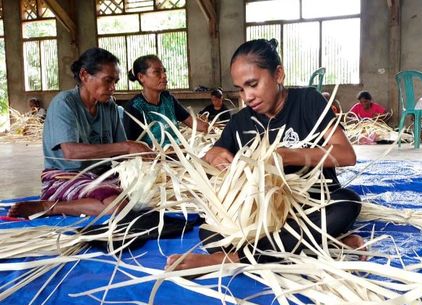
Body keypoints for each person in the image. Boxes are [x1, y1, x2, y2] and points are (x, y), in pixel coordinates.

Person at [167, 38, 363, 268]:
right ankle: (321, 244)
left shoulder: (308, 101)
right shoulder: (241, 120)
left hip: (313, 205)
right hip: (263, 216)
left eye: (253, 84)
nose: (247, 96)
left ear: (278, 74)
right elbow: (211, 156)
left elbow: (346, 155)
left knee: (348, 203)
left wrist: (284, 155)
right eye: (241, 89)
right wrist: (213, 156)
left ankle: (231, 258)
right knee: (210, 230)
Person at [8, 48, 152, 218]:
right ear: (84, 75)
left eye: (115, 81)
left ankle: (86, 202)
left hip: (102, 176)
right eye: (107, 81)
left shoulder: (110, 107)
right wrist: (127, 146)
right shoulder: (65, 103)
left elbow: (121, 154)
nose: (113, 88)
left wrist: (151, 155)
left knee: (144, 199)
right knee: (117, 207)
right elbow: (71, 152)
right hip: (66, 177)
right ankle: (51, 206)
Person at [123, 55, 208, 146]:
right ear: (141, 77)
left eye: (164, 71)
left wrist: (210, 127)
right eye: (157, 72)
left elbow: (193, 123)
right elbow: (131, 146)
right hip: (155, 159)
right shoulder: (135, 107)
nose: (164, 76)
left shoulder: (168, 99)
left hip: (179, 153)